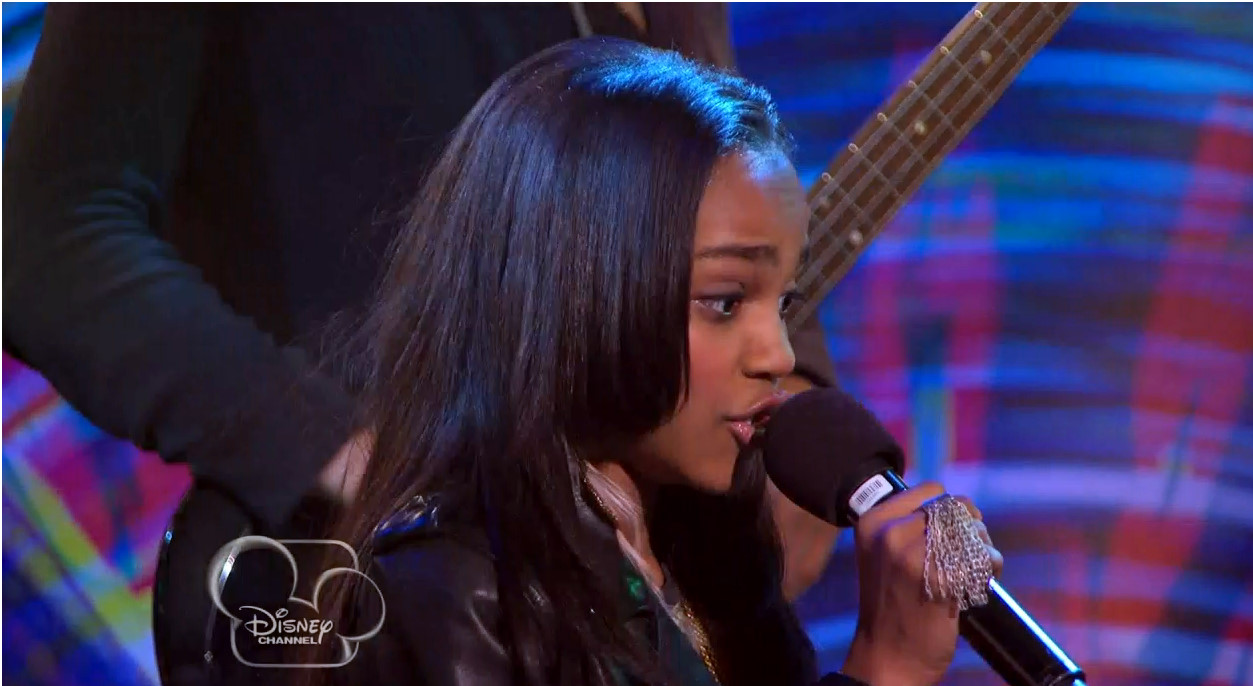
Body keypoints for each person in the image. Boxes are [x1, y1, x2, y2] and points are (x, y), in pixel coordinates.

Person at [2, 4, 839, 600]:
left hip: (602, 597)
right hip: (378, 596)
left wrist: (790, 387)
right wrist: (345, 454)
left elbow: (713, 179)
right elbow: (45, 238)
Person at [303, 38, 1003, 686]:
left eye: (782, 304)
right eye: (725, 301)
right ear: (579, 291)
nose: (780, 356)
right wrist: (878, 677)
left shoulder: (712, 558)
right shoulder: (453, 590)